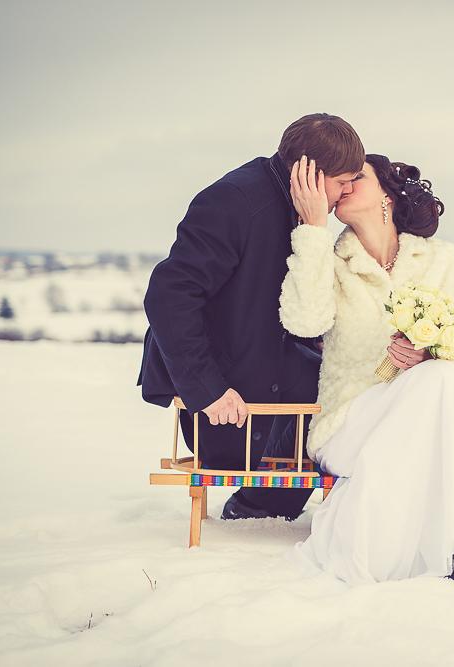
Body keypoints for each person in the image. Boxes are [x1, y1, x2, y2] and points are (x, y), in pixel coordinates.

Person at [278, 153, 454, 585]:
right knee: (439, 382)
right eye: (340, 179)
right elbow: (303, 322)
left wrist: (428, 356)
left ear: (388, 197)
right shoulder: (329, 260)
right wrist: (313, 229)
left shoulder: (445, 260)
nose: (343, 185)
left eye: (357, 177)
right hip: (349, 422)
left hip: (428, 415)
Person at [137, 113, 365, 522]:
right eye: (343, 181)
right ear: (309, 174)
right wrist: (209, 390)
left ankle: (275, 509)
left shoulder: (300, 206)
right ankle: (256, 512)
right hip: (222, 376)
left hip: (268, 358)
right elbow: (169, 296)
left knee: (347, 386)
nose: (348, 191)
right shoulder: (233, 201)